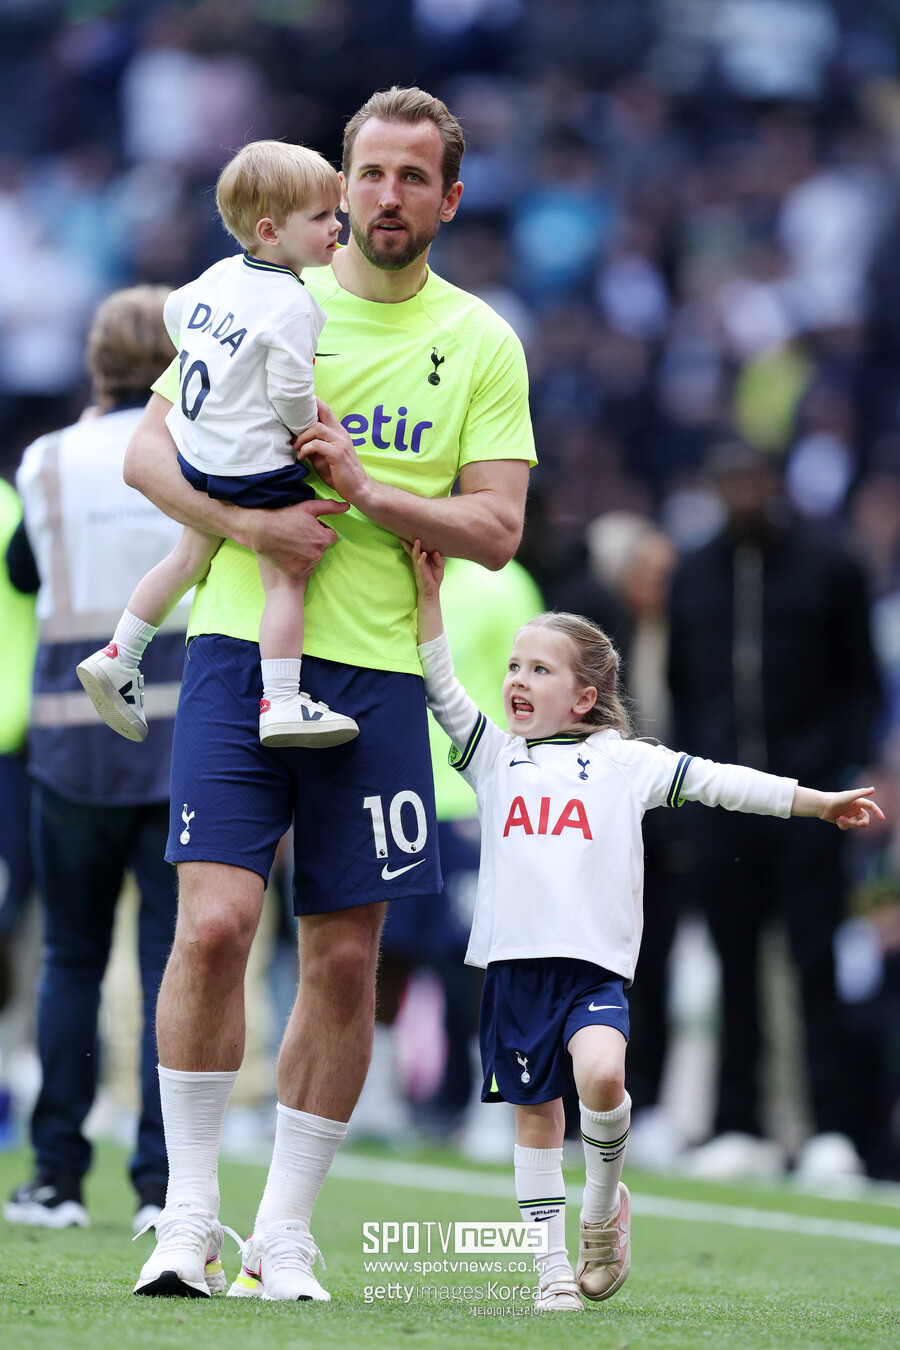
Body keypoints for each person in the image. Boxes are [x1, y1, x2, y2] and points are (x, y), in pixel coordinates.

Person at [123, 86, 534, 1301]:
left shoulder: (483, 342)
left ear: (449, 200)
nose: (387, 197)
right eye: (370, 174)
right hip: (239, 652)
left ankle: (284, 1234)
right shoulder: (259, 291)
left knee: (346, 963)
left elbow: (497, 528)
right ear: (337, 183)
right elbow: (151, 455)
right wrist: (254, 531)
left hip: (383, 674)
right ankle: (186, 1219)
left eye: (415, 178)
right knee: (210, 928)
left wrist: (368, 494)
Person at [407, 539, 883, 1313]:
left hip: (591, 972)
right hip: (512, 973)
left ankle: (601, 1210)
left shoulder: (627, 764)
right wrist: (429, 596)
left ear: (586, 697)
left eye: (540, 670)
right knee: (537, 1122)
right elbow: (438, 681)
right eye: (514, 667)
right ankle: (548, 1266)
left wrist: (816, 801)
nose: (517, 681)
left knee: (601, 1078)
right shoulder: (494, 757)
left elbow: (724, 783)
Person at [2, 287, 186, 1230]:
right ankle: (163, 1188)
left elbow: (24, 573)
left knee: (68, 959)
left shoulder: (43, 459)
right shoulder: (199, 444)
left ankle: (57, 1177)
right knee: (170, 963)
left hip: (69, 739)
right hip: (181, 740)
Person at [76, 141, 357, 751]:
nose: (338, 226)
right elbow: (289, 397)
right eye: (320, 217)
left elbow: (177, 315)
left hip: (198, 456)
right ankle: (282, 700)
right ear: (270, 229)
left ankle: (120, 653)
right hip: (254, 469)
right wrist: (313, 424)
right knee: (285, 578)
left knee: (185, 558)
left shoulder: (221, 274)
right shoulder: (294, 303)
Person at [668, 441, 883, 1180]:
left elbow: (862, 684)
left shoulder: (831, 566)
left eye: (755, 478)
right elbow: (684, 690)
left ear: (776, 483)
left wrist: (838, 771)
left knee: (813, 961)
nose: (744, 493)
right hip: (725, 805)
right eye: (730, 481)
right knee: (732, 963)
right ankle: (738, 1125)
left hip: (813, 803)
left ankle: (830, 1131)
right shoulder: (694, 573)